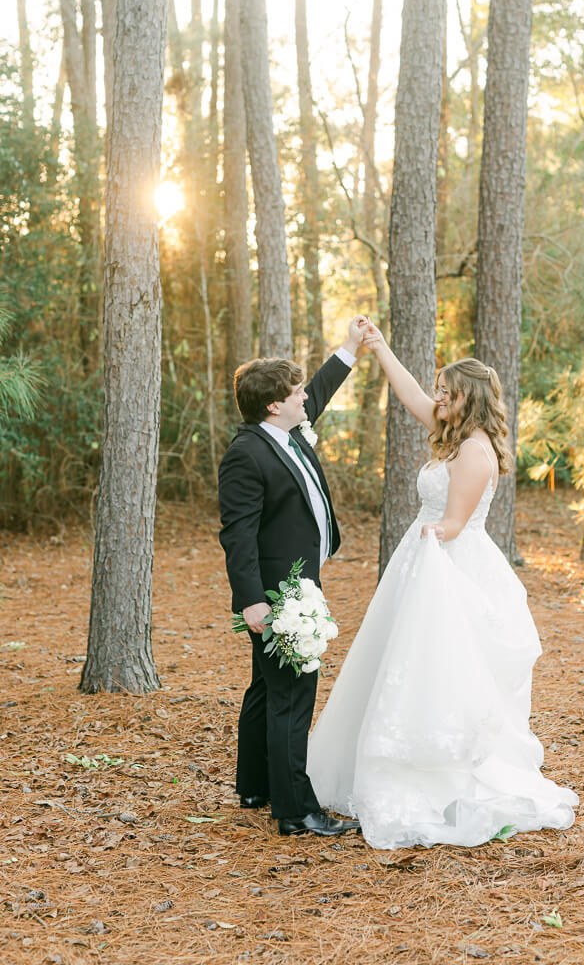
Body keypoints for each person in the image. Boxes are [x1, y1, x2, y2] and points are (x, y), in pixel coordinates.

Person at [307, 327, 578, 849]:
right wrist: (382, 348)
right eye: (438, 389)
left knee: (440, 667)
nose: (437, 398)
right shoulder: (451, 434)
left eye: (447, 392)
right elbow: (409, 393)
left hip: (450, 568)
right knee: (395, 661)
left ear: (467, 401)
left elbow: (454, 523)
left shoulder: (475, 453)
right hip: (422, 560)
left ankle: (437, 768)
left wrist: (430, 536)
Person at [218, 317, 367, 837]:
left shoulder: (289, 431)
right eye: (295, 391)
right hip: (281, 594)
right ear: (273, 405)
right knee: (292, 694)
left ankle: (256, 785)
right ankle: (296, 809)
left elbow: (319, 391)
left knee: (266, 687)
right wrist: (252, 602)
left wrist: (349, 347)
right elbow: (237, 534)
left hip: (301, 581)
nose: (305, 396)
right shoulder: (246, 454)